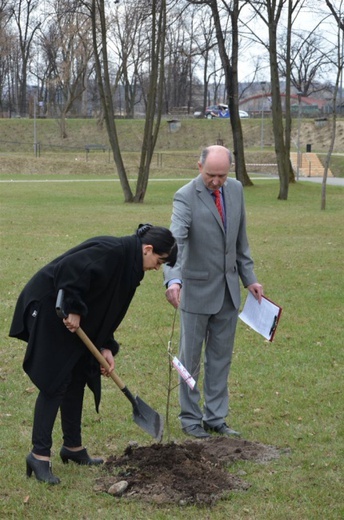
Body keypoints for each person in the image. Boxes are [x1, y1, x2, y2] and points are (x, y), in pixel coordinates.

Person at [9, 224, 177, 484]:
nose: (157, 268)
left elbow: (106, 310)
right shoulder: (111, 251)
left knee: (77, 374)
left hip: (71, 315)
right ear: (148, 249)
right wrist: (73, 306)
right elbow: (69, 270)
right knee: (55, 380)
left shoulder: (130, 269)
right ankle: (39, 455)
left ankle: (72, 448)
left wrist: (106, 346)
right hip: (50, 307)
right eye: (159, 261)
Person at [163, 145, 263, 439]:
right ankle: (190, 418)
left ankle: (215, 417)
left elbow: (240, 241)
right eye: (211, 175)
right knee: (189, 361)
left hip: (228, 294)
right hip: (195, 293)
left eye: (222, 175)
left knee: (220, 359)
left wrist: (250, 279)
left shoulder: (235, 190)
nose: (217, 181)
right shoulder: (185, 197)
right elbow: (175, 242)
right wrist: (173, 280)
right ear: (199, 167)